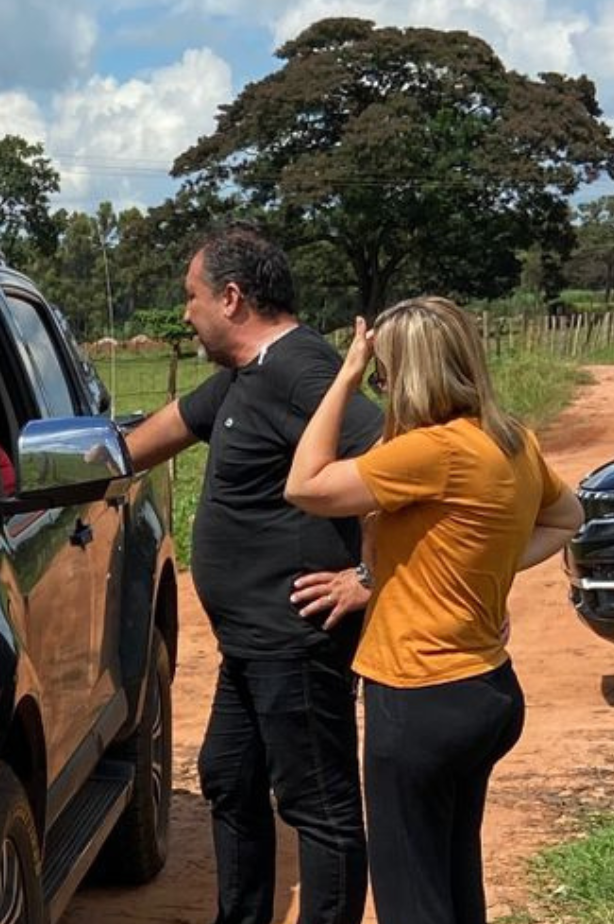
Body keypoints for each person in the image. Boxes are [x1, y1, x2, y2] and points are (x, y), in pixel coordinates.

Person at [284, 296, 583, 924]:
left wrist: (342, 377)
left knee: (410, 902)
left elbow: (305, 485)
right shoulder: (510, 440)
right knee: (451, 881)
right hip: (487, 690)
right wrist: (484, 578)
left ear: (410, 373)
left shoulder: (432, 453)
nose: (379, 385)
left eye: (383, 374)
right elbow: (567, 517)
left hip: (417, 696)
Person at [126, 225, 381, 924]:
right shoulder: (246, 376)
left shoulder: (301, 371)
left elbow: (399, 460)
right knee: (230, 777)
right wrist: (45, 471)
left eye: (192, 296)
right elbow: (146, 442)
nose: (186, 312)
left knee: (318, 806)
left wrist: (367, 575)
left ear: (232, 298)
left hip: (293, 640)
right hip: (250, 642)